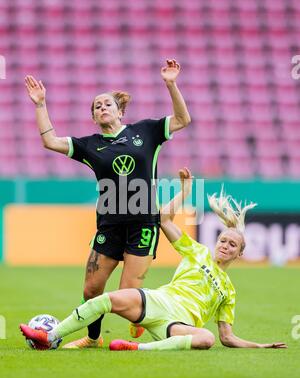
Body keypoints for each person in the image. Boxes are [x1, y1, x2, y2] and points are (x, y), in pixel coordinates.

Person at [20, 168, 287, 351]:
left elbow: (226, 337)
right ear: (216, 242)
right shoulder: (197, 252)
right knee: (105, 299)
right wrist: (184, 191)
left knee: (206, 338)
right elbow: (163, 219)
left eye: (233, 245)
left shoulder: (229, 291)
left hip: (176, 326)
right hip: (158, 301)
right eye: (223, 241)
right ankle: (49, 336)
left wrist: (259, 346)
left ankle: (136, 347)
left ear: (240, 253)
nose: (225, 246)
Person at [24, 59, 191, 349]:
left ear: (120, 111)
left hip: (143, 223)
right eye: (97, 106)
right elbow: (50, 141)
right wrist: (40, 104)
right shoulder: (90, 144)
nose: (102, 108)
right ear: (93, 117)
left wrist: (171, 84)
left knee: (126, 295)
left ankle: (153, 326)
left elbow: (182, 120)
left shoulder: (146, 132)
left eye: (107, 104)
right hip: (109, 224)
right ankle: (93, 338)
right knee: (91, 289)